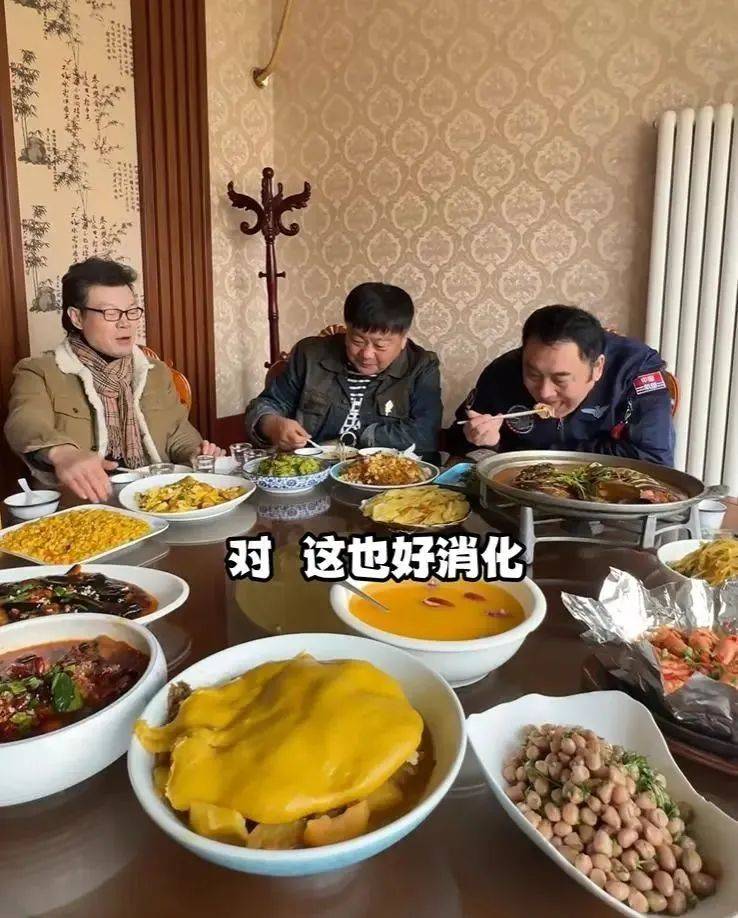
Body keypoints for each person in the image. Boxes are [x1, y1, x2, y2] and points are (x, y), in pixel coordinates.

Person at [5, 257, 223, 502]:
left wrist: (196, 453)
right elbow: (24, 423)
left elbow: (178, 433)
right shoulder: (39, 372)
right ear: (77, 318)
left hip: (156, 499)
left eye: (131, 311)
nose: (125, 322)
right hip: (82, 506)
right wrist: (62, 453)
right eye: (110, 313)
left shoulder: (154, 371)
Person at [447, 304, 675, 466]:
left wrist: (537, 455)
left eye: (560, 379)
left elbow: (654, 459)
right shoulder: (503, 373)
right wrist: (487, 442)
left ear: (597, 368)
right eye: (533, 375)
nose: (545, 393)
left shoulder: (636, 370)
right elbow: (456, 441)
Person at [244, 283, 442, 457]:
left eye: (380, 345)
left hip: (386, 477)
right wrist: (272, 424)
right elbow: (268, 403)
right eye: (357, 341)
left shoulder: (421, 366)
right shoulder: (310, 354)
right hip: (313, 471)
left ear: (403, 340)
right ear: (347, 330)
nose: (366, 354)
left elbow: (425, 435)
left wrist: (354, 438)